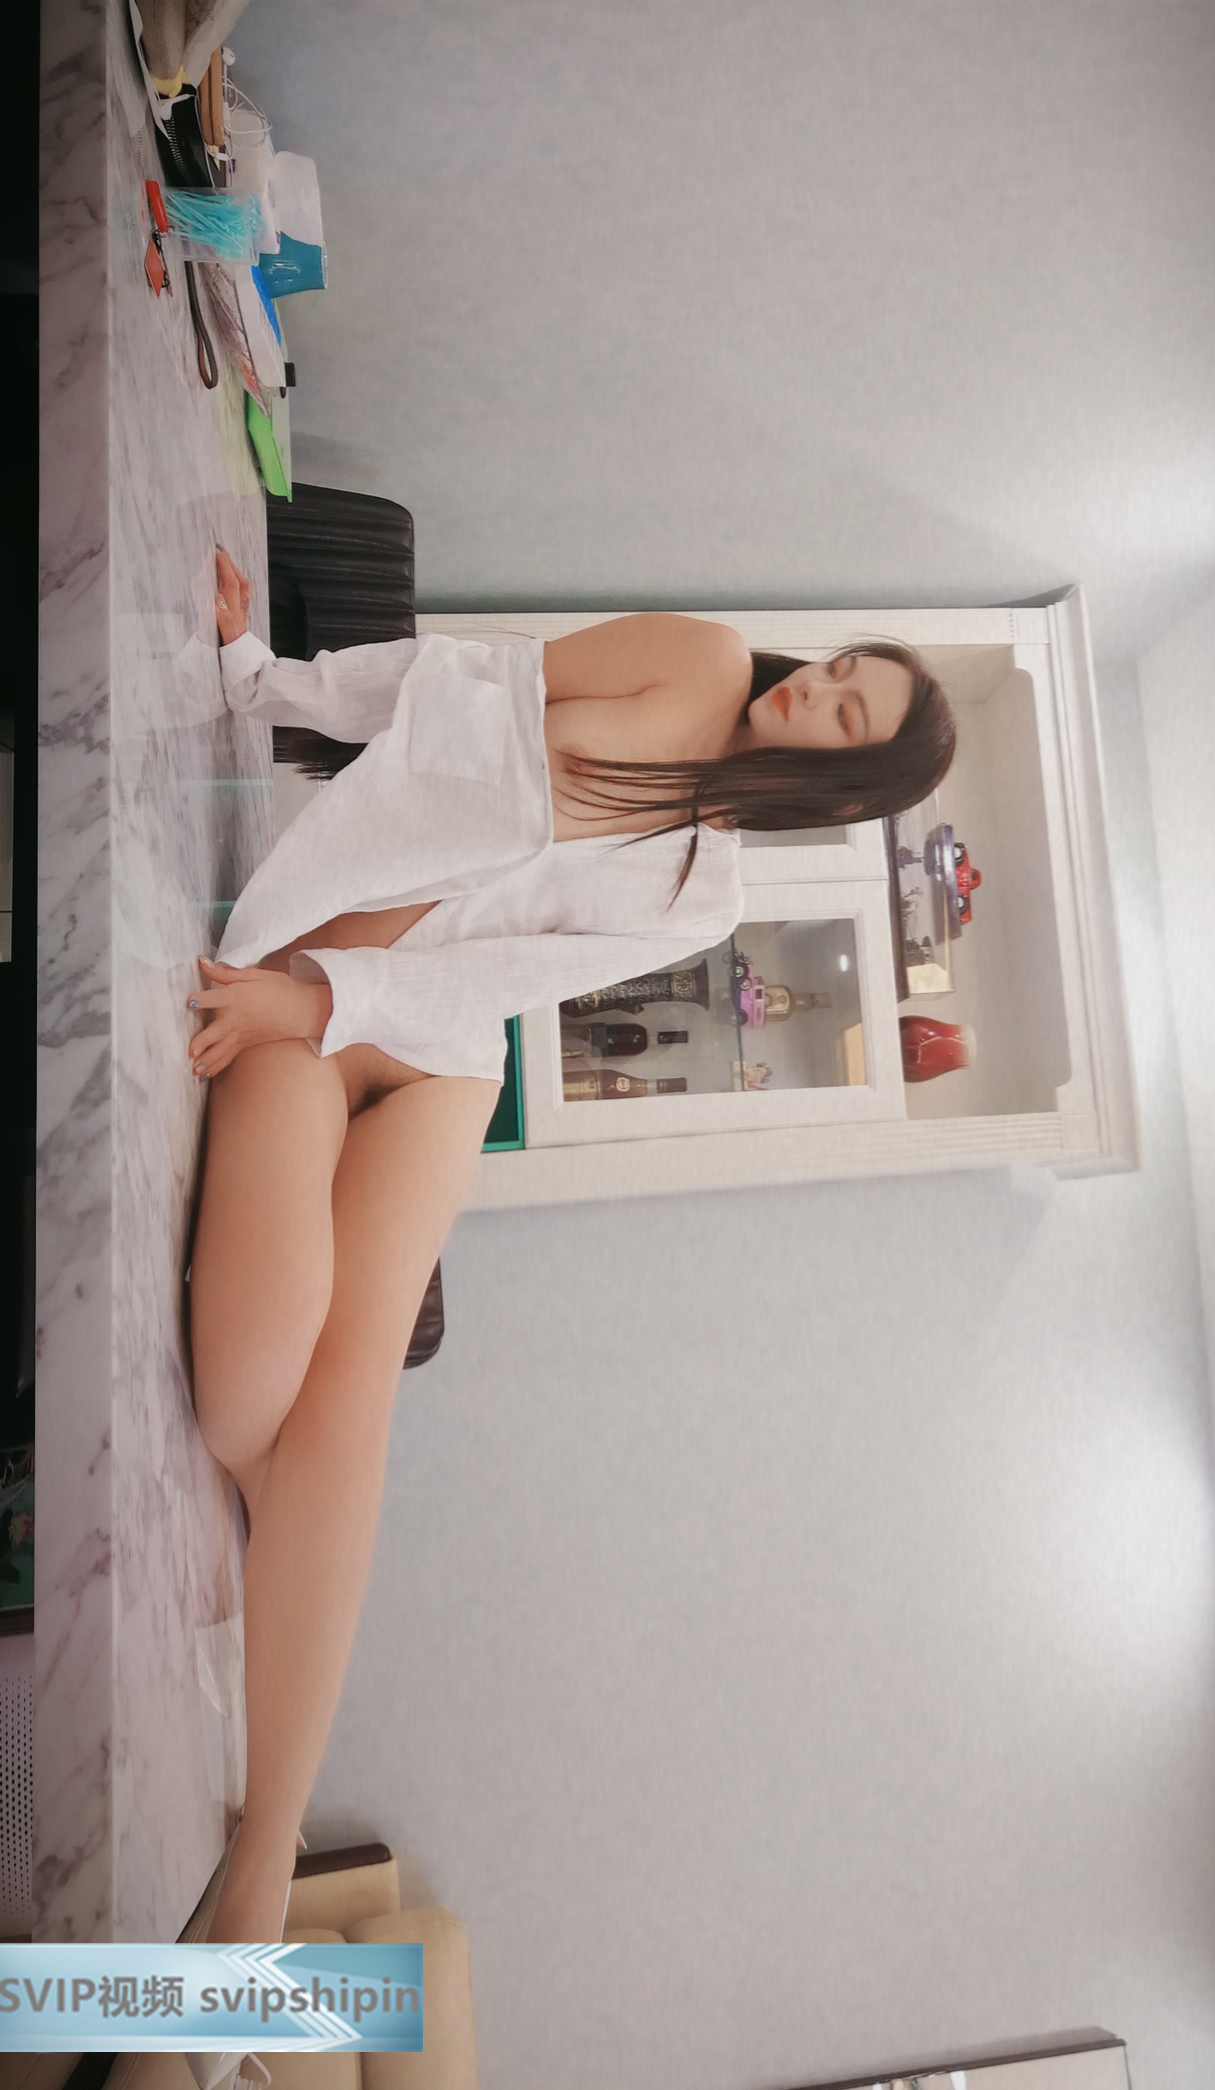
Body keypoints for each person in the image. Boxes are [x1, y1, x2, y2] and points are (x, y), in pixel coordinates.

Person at [188, 547, 956, 1955]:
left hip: (433, 1046)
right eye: (843, 669)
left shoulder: (707, 896)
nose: (815, 691)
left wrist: (331, 1007)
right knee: (246, 1398)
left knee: (356, 1390)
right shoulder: (699, 655)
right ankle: (273, 1511)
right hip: (303, 971)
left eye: (847, 715)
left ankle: (260, 1855)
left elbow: (512, 974)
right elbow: (457, 684)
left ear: (845, 791)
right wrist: (267, 681)